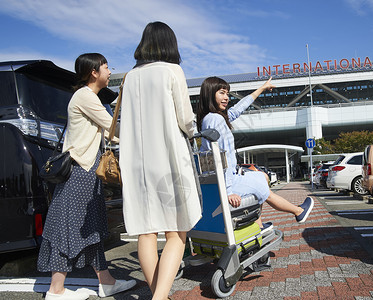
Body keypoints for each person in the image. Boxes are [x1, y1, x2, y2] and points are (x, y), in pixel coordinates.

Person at [37, 53, 136, 300]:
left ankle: (107, 282)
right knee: (67, 225)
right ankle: (56, 290)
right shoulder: (85, 96)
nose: (109, 71)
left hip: (86, 171)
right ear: (93, 72)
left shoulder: (88, 97)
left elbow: (106, 132)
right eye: (105, 67)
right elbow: (112, 128)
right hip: (79, 171)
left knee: (90, 227)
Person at [119, 22, 202, 300]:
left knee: (146, 231)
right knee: (178, 230)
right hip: (167, 160)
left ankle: (159, 294)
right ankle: (158, 298)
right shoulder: (172, 70)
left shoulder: (129, 77)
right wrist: (197, 133)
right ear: (170, 44)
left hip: (135, 164)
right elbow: (186, 119)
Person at [197, 76, 314, 230]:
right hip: (226, 182)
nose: (226, 98)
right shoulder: (216, 120)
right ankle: (298, 211)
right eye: (222, 93)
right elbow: (220, 158)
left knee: (262, 176)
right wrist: (228, 192)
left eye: (227, 94)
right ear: (210, 94)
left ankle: (258, 224)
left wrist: (261, 88)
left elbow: (238, 109)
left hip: (226, 178)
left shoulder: (214, 117)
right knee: (263, 188)